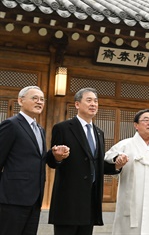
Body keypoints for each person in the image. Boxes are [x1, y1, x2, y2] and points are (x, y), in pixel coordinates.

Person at [47, 87, 122, 235]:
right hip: (69, 200)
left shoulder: (99, 132)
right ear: (77, 104)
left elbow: (96, 164)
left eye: (96, 101)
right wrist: (57, 156)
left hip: (90, 200)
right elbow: (51, 161)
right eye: (89, 100)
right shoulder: (62, 128)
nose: (93, 104)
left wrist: (116, 166)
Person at [0, 86, 63, 235]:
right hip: (12, 199)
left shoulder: (39, 129)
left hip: (35, 198)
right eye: (34, 98)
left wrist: (54, 156)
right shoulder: (11, 125)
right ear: (20, 101)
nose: (39, 102)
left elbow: (37, 159)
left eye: (42, 99)